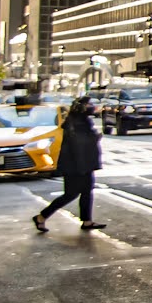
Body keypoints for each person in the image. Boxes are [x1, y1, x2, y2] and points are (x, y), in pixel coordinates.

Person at [33, 96, 104, 233]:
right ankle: (42, 217)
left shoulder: (83, 121)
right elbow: (78, 146)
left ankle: (87, 220)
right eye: (88, 104)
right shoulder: (75, 123)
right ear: (81, 107)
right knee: (70, 194)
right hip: (76, 166)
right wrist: (94, 139)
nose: (91, 106)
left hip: (84, 164)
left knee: (86, 192)